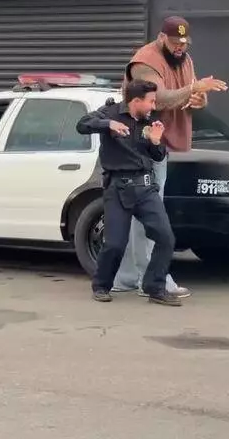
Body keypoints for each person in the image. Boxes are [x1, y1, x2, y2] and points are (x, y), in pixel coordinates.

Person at [112, 15, 228, 298]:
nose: (180, 47)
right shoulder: (145, 61)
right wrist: (192, 89)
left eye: (185, 43)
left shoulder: (184, 60)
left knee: (139, 212)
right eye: (175, 43)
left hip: (162, 144)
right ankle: (154, 280)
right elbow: (159, 98)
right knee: (149, 214)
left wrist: (199, 99)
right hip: (143, 145)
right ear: (162, 37)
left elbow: (191, 98)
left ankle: (126, 278)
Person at [76, 80, 182, 307]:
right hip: (118, 187)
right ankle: (102, 286)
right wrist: (108, 124)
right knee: (115, 243)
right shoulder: (111, 112)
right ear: (136, 100)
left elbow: (158, 156)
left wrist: (156, 142)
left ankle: (155, 287)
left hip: (145, 188)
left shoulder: (151, 121)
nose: (153, 106)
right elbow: (83, 124)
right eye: (151, 101)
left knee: (166, 237)